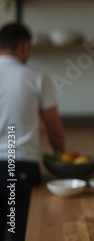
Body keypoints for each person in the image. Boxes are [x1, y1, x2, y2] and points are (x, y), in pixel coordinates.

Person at [0, 22, 65, 241]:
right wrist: (60, 156)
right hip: (17, 166)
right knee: (18, 232)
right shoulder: (36, 76)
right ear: (24, 46)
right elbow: (54, 129)